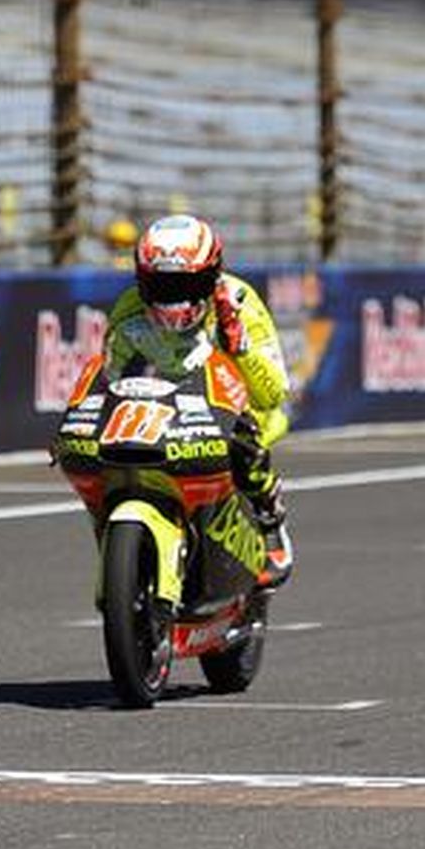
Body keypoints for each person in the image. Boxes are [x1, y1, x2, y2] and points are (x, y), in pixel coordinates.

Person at [105, 213, 294, 587]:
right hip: (160, 413)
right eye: (161, 284)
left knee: (247, 435)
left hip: (233, 410)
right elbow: (110, 378)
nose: (173, 297)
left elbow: (273, 393)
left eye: (186, 284)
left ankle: (268, 516)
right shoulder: (128, 310)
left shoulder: (241, 303)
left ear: (211, 277)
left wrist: (238, 345)